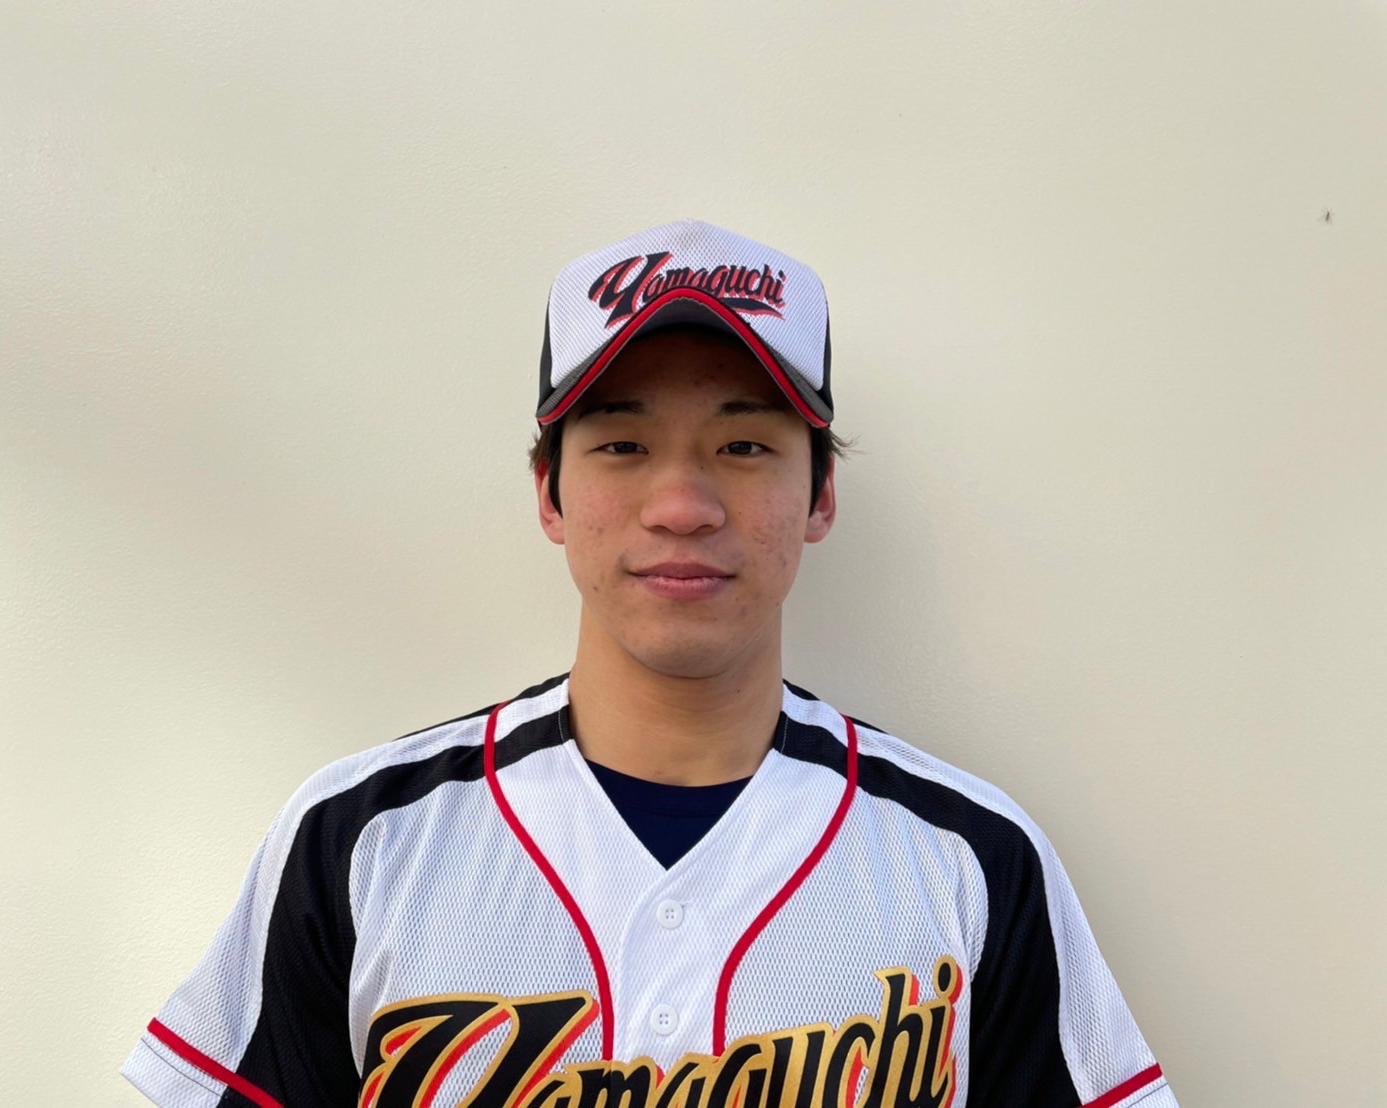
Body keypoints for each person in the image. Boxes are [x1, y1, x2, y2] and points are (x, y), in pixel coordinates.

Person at [123, 220, 1177, 1107]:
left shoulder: (969, 858)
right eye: (622, 445)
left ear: (819, 495)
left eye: (744, 445)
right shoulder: (362, 839)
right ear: (549, 492)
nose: (681, 505)